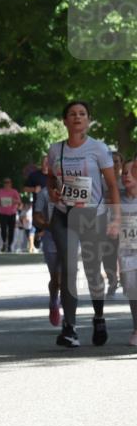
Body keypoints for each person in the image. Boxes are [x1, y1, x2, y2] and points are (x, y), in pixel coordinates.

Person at [46, 100, 121, 348]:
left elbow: (111, 186)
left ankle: (99, 317)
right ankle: (70, 327)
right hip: (63, 215)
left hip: (92, 216)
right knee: (68, 267)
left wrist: (116, 217)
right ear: (64, 121)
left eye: (82, 114)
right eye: (72, 114)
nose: (77, 117)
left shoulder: (99, 149)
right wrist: (54, 193)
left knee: (92, 269)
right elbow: (50, 180)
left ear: (88, 120)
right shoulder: (55, 149)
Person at [33, 184, 62, 326]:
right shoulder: (44, 193)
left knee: (66, 276)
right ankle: (54, 302)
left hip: (69, 236)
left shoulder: (75, 188)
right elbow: (36, 217)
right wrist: (47, 225)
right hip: (50, 237)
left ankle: (69, 319)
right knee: (56, 278)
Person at [118, 159, 137, 346]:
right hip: (126, 253)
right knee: (132, 290)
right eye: (124, 172)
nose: (126, 175)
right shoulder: (116, 199)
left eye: (131, 172)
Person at [104, 150, 125, 296]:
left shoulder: (127, 179)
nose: (114, 164)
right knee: (108, 256)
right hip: (106, 223)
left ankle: (126, 280)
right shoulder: (102, 181)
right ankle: (112, 281)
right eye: (111, 162)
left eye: (117, 161)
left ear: (121, 163)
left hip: (126, 224)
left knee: (124, 254)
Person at [0, 178, 22, 252]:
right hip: (2, 213)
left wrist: (14, 201)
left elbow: (19, 201)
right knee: (3, 229)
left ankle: (10, 245)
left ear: (11, 183)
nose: (6, 184)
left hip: (12, 213)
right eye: (5, 182)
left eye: (8, 182)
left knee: (11, 230)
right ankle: (4, 243)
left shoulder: (14, 191)